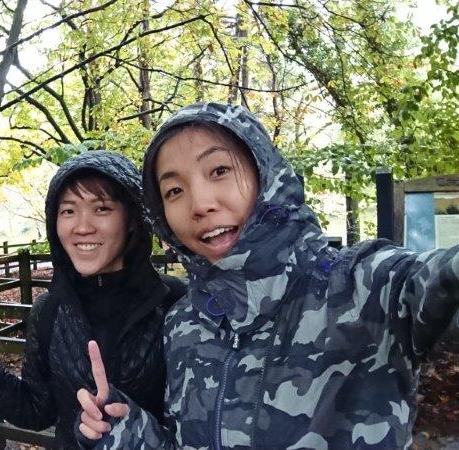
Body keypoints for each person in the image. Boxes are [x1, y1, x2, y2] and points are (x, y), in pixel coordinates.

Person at [76, 102, 459, 449]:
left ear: (266, 173)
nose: (201, 204)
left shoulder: (361, 287)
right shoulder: (184, 324)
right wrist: (125, 432)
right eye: (174, 190)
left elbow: (435, 282)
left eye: (220, 170)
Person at [0, 150, 186, 448]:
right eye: (68, 211)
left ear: (132, 219)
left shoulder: (176, 303)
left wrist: (133, 428)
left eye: (102, 208)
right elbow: (36, 410)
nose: (82, 226)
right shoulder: (49, 309)